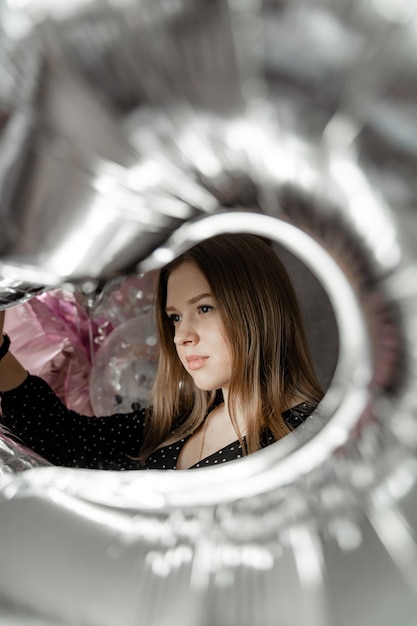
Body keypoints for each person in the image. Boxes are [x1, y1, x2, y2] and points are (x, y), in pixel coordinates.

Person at [0, 233, 323, 470]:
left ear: (259, 310)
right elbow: (66, 440)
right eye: (175, 318)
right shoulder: (181, 419)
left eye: (205, 308)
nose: (182, 335)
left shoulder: (311, 439)